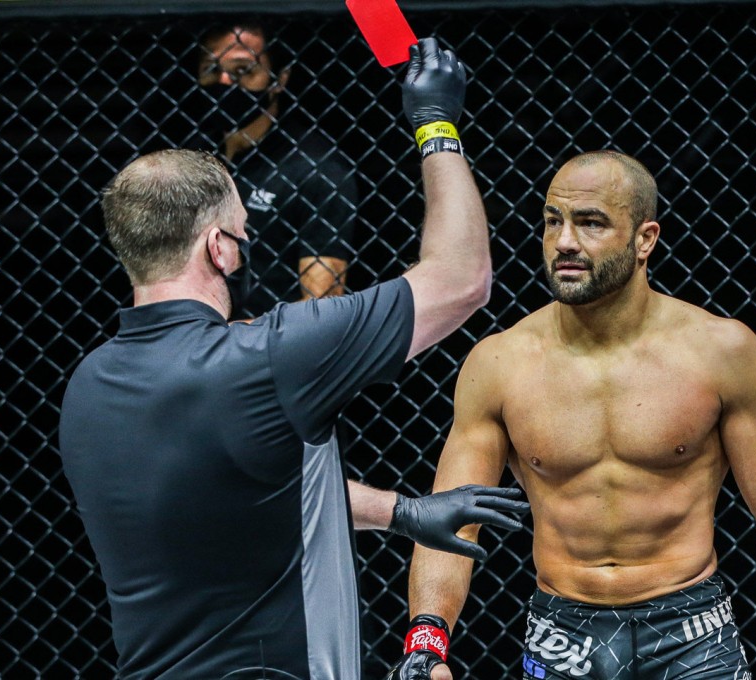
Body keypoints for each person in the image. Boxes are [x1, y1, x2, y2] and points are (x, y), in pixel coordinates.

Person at [59, 39, 529, 680]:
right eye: (243, 235)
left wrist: (400, 512)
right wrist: (437, 125)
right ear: (219, 249)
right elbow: (463, 279)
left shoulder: (87, 387)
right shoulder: (264, 359)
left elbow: (243, 490)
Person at [389, 151, 756, 679]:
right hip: (563, 630)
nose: (565, 242)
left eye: (591, 222)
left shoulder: (721, 352)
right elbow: (453, 519)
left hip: (692, 628)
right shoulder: (500, 364)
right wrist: (426, 644)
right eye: (554, 221)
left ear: (645, 239)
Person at [196, 22, 354, 306]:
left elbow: (321, 309)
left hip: (270, 342)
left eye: (243, 70)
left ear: (279, 79)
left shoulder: (316, 168)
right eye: (211, 69)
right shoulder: (193, 151)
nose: (224, 82)